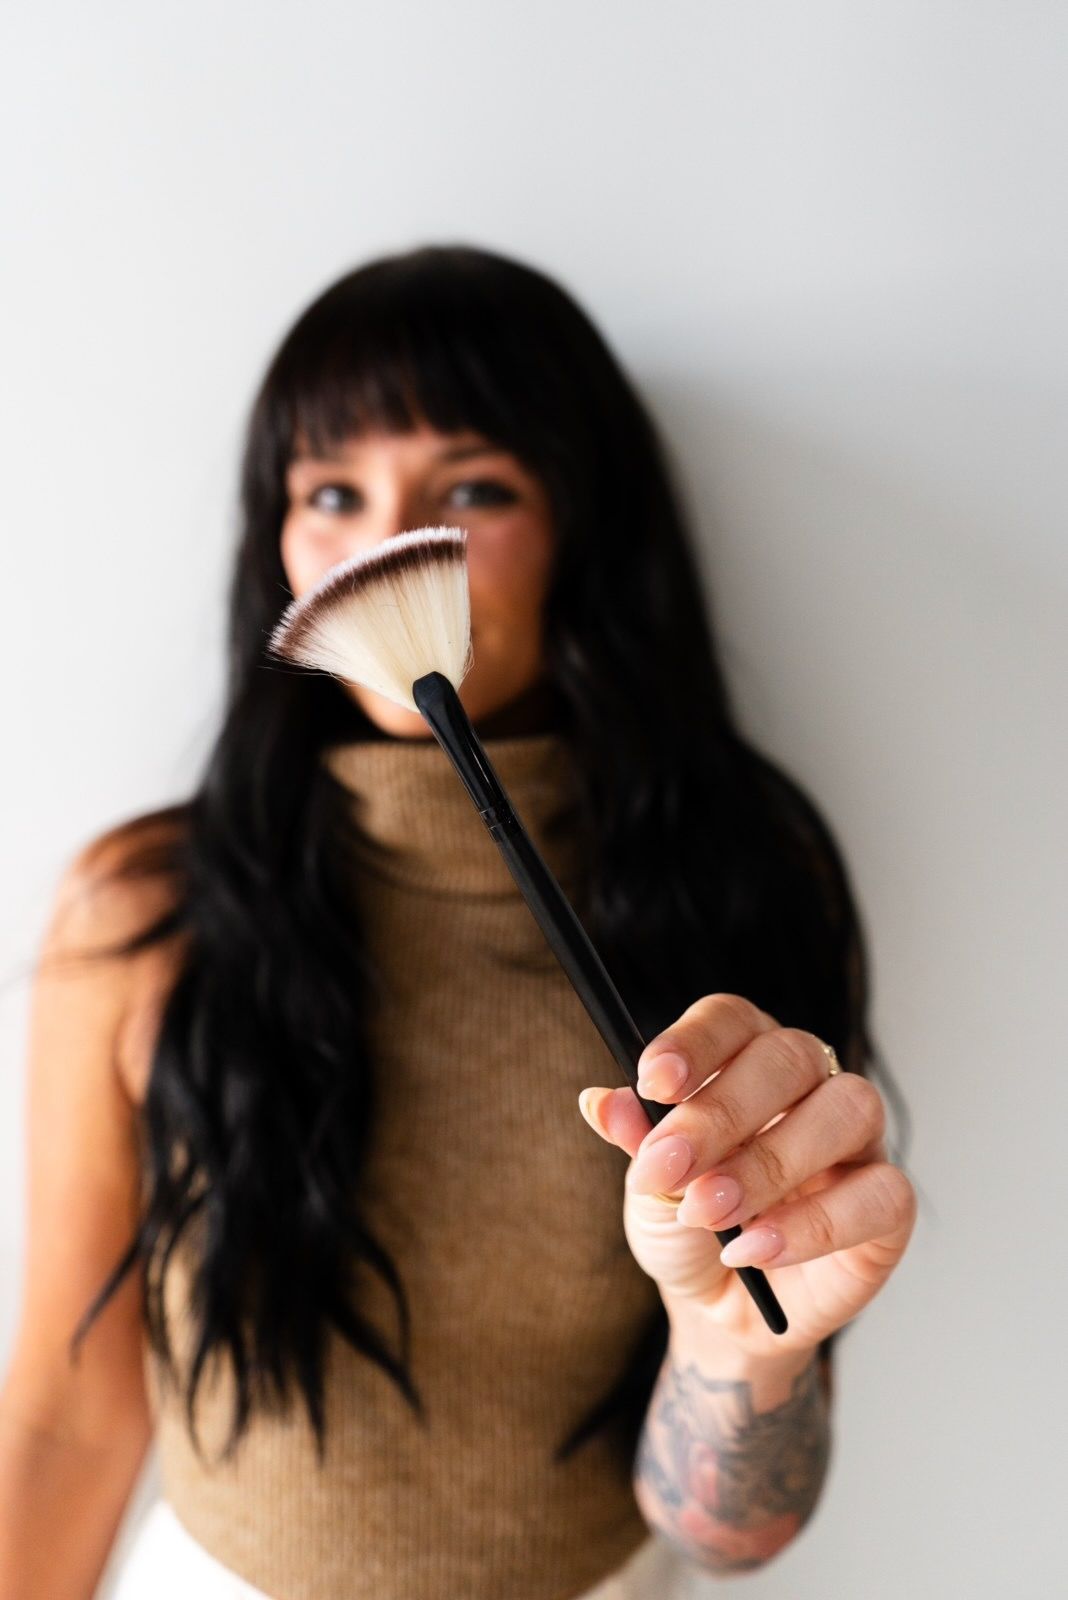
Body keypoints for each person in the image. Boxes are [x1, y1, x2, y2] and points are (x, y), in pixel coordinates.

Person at [0, 243, 917, 1599]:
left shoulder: (746, 882)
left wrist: (745, 1353)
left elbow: (732, 1535)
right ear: (277, 548)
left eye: (471, 487)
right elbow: (70, 1418)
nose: (383, 541)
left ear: (581, 533)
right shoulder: (143, 912)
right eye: (330, 492)